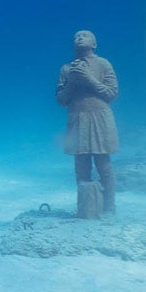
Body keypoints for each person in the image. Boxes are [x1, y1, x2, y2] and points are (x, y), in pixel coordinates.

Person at [55, 30, 119, 216]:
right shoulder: (67, 68)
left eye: (84, 35)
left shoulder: (103, 64)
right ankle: (86, 207)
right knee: (81, 165)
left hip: (100, 116)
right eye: (75, 36)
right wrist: (72, 83)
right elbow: (61, 100)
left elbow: (111, 94)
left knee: (103, 164)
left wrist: (88, 78)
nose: (79, 38)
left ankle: (109, 207)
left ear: (94, 44)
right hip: (77, 117)